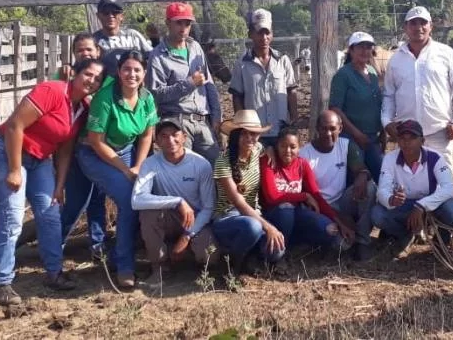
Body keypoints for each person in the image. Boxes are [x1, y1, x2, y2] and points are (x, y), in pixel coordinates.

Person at [0, 58, 104, 306]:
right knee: (12, 217)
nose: (91, 81)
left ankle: (54, 272)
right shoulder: (52, 90)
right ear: (76, 73)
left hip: (40, 160)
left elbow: (65, 150)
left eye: (97, 79)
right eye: (88, 74)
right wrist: (15, 170)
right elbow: (15, 125)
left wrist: (59, 186)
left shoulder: (81, 108)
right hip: (8, 153)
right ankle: (3, 281)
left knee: (50, 213)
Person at [77, 50, 158, 288]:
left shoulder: (146, 98)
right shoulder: (105, 98)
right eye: (126, 69)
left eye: (137, 70)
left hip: (127, 151)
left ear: (144, 73)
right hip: (95, 154)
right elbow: (95, 141)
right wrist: (125, 169)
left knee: (142, 195)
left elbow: (146, 134)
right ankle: (124, 266)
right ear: (119, 72)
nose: (131, 74)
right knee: (128, 198)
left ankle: (117, 253)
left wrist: (139, 165)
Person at [382, 6, 453, 169]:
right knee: (409, 182)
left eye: (423, 22)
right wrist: (387, 121)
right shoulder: (396, 60)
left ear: (431, 26)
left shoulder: (446, 54)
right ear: (405, 28)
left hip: (440, 132)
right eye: (413, 23)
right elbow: (389, 95)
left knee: (443, 184)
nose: (418, 27)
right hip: (406, 135)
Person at [131, 118, 216, 287]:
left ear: (184, 137)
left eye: (175, 135)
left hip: (195, 219)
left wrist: (186, 236)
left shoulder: (200, 164)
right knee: (148, 213)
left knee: (209, 256)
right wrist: (177, 201)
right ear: (157, 141)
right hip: (168, 217)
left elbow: (208, 207)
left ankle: (184, 258)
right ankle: (160, 268)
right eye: (164, 136)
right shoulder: (150, 164)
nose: (170, 140)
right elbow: (137, 199)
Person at [371, 120, 453, 259]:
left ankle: (441, 243)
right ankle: (404, 236)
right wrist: (391, 199)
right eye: (402, 138)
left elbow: (450, 188)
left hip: (429, 208)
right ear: (398, 141)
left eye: (412, 138)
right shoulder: (390, 159)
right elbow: (382, 190)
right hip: (404, 206)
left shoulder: (435, 158)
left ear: (422, 141)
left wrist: (421, 206)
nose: (407, 143)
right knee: (378, 214)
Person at [260, 127, 354, 259]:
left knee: (329, 230)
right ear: (276, 146)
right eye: (283, 146)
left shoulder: (302, 164)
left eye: (292, 147)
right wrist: (304, 196)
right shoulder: (269, 161)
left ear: (299, 148)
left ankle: (295, 244)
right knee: (286, 208)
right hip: (273, 216)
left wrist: (339, 223)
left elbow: (316, 196)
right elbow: (272, 197)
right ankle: (278, 253)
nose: (287, 151)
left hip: (296, 214)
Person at [147, 2, 222, 165]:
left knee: (217, 169)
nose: (183, 27)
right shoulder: (158, 55)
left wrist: (216, 115)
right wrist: (189, 84)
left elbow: (208, 83)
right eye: (178, 23)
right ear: (168, 23)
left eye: (187, 23)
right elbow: (156, 94)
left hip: (203, 120)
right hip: (177, 123)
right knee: (183, 172)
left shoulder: (195, 47)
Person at [211, 110, 286, 270]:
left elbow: (264, 147)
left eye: (254, 134)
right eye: (244, 134)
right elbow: (238, 202)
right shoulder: (222, 162)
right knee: (253, 227)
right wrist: (269, 227)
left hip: (254, 214)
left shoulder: (258, 149)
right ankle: (231, 265)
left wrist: (270, 150)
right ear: (236, 135)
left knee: (276, 250)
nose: (250, 138)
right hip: (227, 217)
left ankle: (252, 257)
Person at [299, 111, 377, 261]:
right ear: (317, 129)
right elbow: (312, 197)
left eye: (332, 128)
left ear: (340, 128)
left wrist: (363, 174)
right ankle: (323, 243)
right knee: (342, 244)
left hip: (341, 202)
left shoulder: (346, 146)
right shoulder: (305, 154)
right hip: (319, 208)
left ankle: (362, 241)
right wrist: (339, 219)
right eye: (324, 128)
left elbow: (359, 167)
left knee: (370, 187)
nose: (328, 133)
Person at [58, 33, 109, 260]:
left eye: (89, 49)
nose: (85, 54)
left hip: (99, 150)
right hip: (74, 150)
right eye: (80, 50)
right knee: (76, 201)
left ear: (98, 51)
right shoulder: (65, 78)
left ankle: (98, 245)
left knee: (98, 200)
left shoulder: (106, 80)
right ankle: (54, 244)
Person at [229, 8, 298, 148]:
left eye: (267, 32)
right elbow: (237, 97)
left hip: (281, 131)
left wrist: (294, 121)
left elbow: (291, 91)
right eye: (260, 33)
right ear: (251, 34)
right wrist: (243, 125)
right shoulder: (242, 64)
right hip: (255, 133)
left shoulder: (283, 60)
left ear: (272, 34)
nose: (264, 37)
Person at [329, 31, 384, 180]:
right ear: (351, 50)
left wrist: (382, 132)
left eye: (368, 47)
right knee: (355, 178)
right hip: (351, 138)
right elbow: (335, 109)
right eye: (360, 47)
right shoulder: (343, 75)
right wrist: (356, 134)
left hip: (373, 137)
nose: (365, 51)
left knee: (382, 175)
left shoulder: (372, 73)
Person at [92, 0, 153, 76]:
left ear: (122, 16)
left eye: (115, 12)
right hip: (105, 87)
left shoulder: (133, 35)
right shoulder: (93, 40)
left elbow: (152, 58)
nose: (110, 16)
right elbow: (83, 65)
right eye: (106, 12)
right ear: (98, 15)